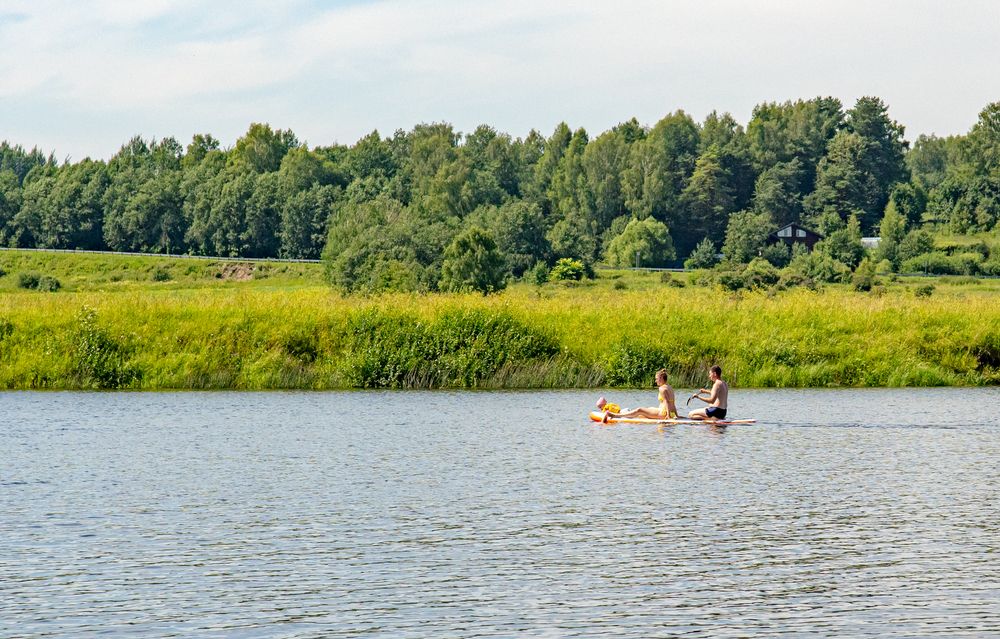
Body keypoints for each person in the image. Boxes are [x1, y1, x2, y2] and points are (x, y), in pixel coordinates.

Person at [603, 369, 677, 422]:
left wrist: (668, 417)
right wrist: (675, 415)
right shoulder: (669, 387)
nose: (655, 381)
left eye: (656, 379)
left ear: (661, 378)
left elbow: (667, 402)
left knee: (639, 409)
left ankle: (615, 415)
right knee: (646, 410)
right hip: (670, 412)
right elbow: (672, 403)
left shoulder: (662, 389)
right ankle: (628, 414)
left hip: (663, 413)